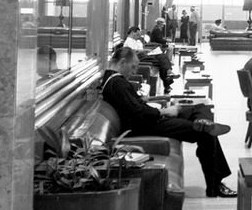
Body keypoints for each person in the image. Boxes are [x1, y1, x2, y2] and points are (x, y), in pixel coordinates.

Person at [100, 45, 236, 198]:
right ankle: (215, 185)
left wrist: (146, 102)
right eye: (133, 67)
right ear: (122, 62)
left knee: (199, 109)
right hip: (147, 126)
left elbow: (134, 106)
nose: (135, 71)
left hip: (148, 120)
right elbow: (139, 113)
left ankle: (202, 120)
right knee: (204, 132)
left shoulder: (111, 80)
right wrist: (164, 111)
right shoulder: (117, 83)